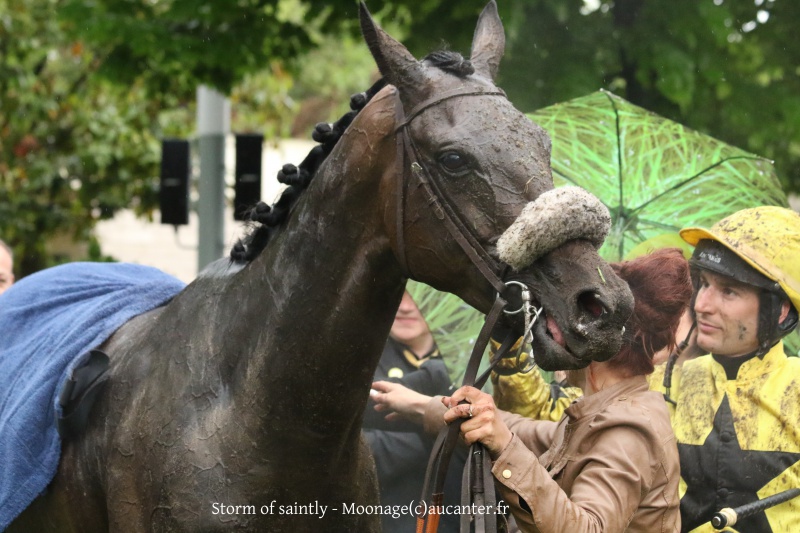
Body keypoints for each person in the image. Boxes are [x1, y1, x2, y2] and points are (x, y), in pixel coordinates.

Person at [372, 247, 692, 532]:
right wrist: (419, 405)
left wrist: (504, 445)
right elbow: (528, 432)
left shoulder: (628, 430)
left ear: (596, 337)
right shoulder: (606, 410)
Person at [649, 206, 800, 533]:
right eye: (704, 284)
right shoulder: (668, 380)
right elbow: (567, 422)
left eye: (729, 291)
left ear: (780, 310)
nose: (702, 304)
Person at [362, 289, 461, 533]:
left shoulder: (464, 358)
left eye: (419, 295)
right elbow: (350, 444)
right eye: (400, 293)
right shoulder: (362, 355)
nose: (406, 306)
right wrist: (439, 434)